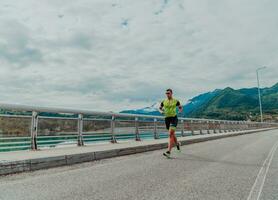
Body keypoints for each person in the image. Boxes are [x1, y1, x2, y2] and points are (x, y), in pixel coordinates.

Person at [159, 88, 183, 158]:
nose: (167, 94)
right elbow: (160, 108)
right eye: (166, 93)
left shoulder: (176, 101)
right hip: (167, 118)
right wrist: (161, 111)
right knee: (172, 134)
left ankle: (168, 151)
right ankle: (177, 144)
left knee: (170, 134)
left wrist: (180, 111)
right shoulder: (163, 101)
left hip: (174, 118)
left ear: (171, 93)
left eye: (168, 93)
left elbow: (180, 107)